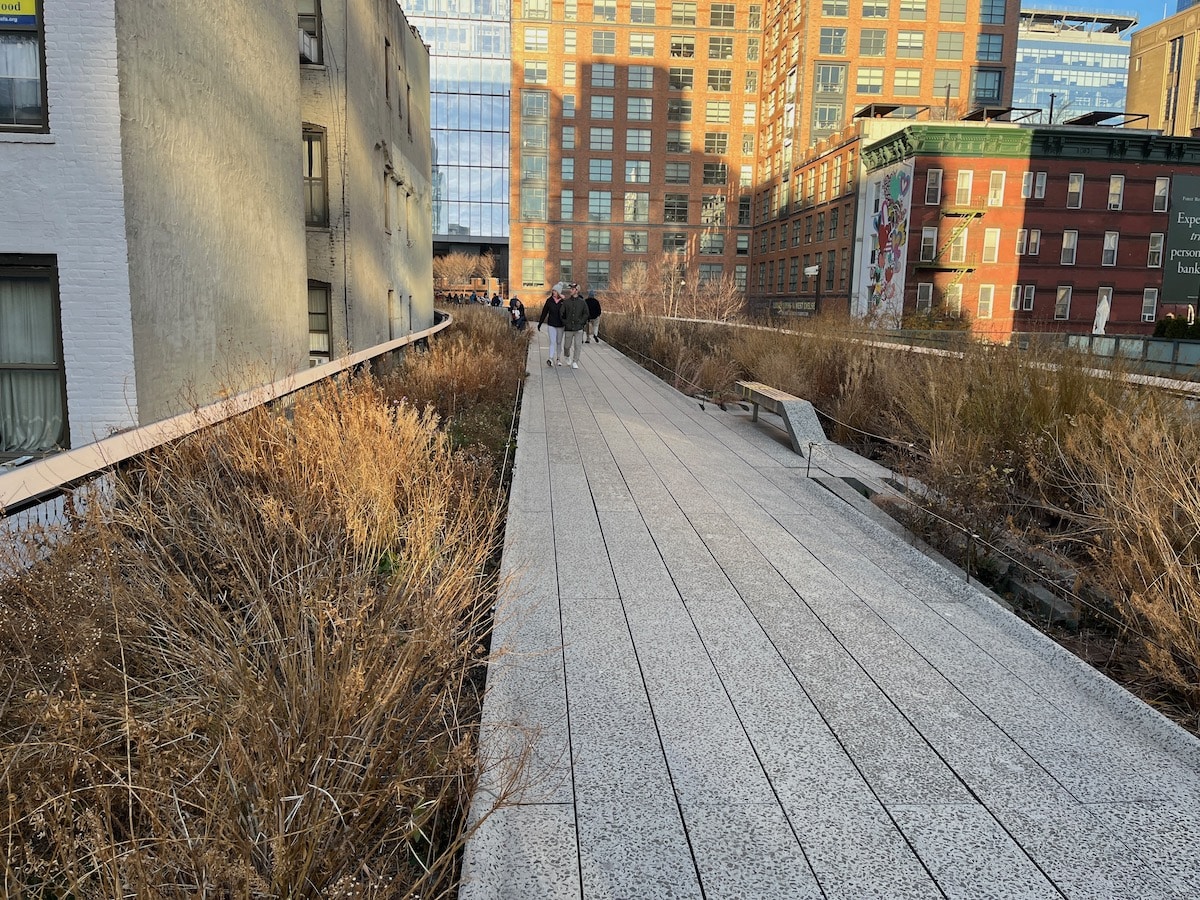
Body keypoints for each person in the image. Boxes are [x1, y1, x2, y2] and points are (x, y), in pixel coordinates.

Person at [560, 283, 589, 369]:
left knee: (578, 345)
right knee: (566, 346)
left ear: (577, 291)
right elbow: (561, 313)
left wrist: (581, 322)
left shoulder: (582, 303)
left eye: (572, 289)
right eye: (570, 289)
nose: (570, 290)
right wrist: (565, 322)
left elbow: (586, 313)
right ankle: (567, 356)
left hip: (578, 328)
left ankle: (575, 361)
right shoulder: (566, 302)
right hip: (569, 328)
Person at [537, 282, 566, 366]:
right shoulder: (549, 301)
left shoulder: (563, 302)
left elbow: (567, 313)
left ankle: (558, 358)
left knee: (559, 342)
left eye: (555, 291)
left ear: (559, 292)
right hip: (551, 324)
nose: (554, 293)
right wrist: (540, 323)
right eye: (553, 291)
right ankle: (550, 358)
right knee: (552, 342)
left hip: (560, 325)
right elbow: (544, 312)